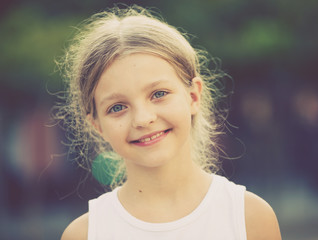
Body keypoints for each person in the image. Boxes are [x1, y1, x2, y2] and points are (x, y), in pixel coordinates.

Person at [59, 5, 281, 240]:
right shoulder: (84, 234)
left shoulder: (250, 218)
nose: (143, 119)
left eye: (158, 94)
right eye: (117, 107)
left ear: (193, 96)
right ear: (98, 125)